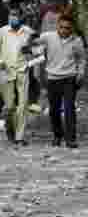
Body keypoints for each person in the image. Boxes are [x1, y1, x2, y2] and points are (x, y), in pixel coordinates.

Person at [0, 7, 36, 146]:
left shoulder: (28, 32)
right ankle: (10, 128)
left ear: (21, 17)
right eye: (11, 15)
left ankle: (20, 136)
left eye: (16, 15)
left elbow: (38, 51)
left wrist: (30, 59)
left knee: (23, 104)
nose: (13, 18)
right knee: (9, 106)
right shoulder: (2, 31)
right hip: (6, 71)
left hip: (23, 71)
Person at [40, 14, 85, 148]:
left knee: (69, 108)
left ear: (71, 28)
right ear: (57, 26)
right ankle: (57, 136)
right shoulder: (48, 37)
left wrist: (81, 73)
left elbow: (81, 59)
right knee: (54, 110)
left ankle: (71, 139)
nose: (64, 30)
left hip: (69, 78)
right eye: (61, 27)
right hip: (52, 78)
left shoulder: (76, 41)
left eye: (67, 28)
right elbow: (34, 42)